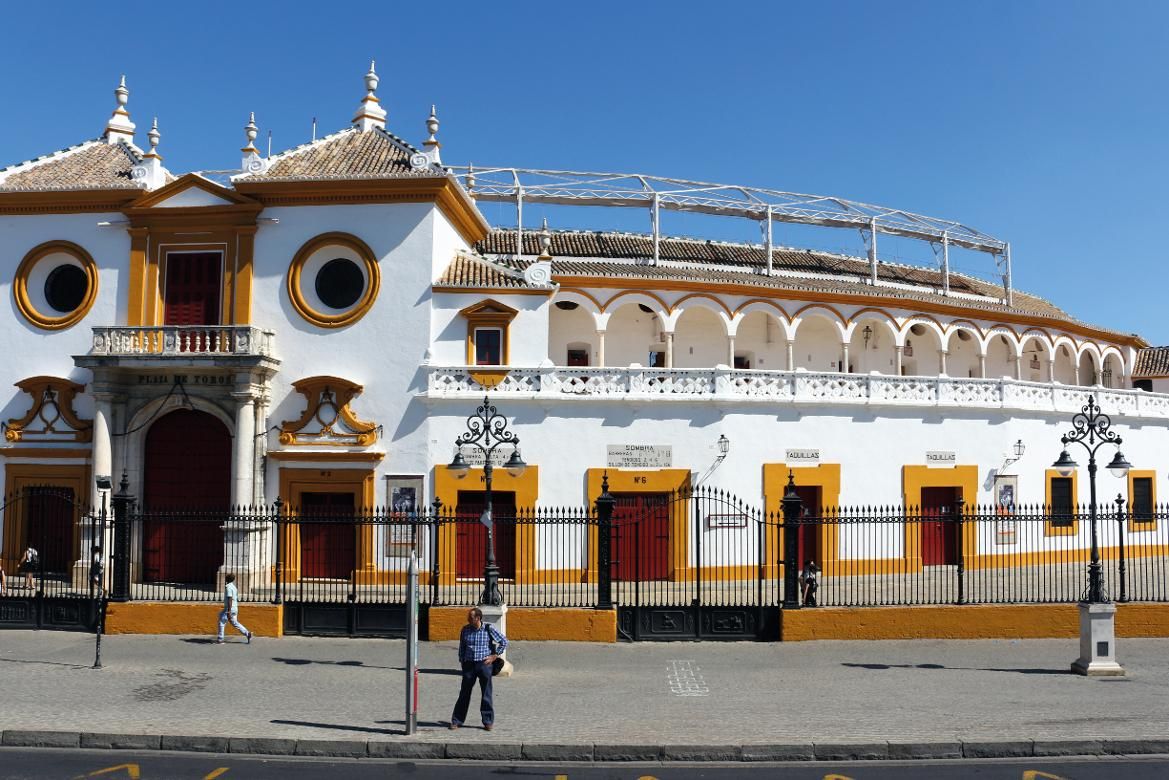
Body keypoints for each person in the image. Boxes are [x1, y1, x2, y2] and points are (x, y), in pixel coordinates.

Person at [449, 607, 507, 731]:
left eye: (471, 617)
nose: (468, 619)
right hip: (469, 665)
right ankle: (457, 720)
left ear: (478, 618)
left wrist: (494, 656)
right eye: (468, 617)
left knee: (486, 693)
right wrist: (462, 660)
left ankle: (488, 721)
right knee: (464, 693)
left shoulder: (488, 628)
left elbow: (504, 641)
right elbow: (462, 646)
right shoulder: (465, 629)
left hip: (484, 664)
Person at [216, 573, 252, 645]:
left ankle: (220, 638)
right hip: (235, 608)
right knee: (234, 623)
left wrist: (228, 611)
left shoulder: (228, 587)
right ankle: (247, 633)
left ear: (227, 579)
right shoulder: (233, 587)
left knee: (222, 622)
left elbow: (230, 599)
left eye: (226, 577)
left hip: (230, 608)